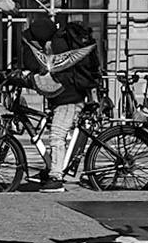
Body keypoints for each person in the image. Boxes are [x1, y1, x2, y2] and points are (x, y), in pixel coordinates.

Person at [20, 11, 100, 192]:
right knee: (54, 131)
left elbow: (37, 68)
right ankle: (51, 168)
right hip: (65, 98)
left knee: (57, 135)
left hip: (69, 100)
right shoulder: (57, 43)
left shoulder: (57, 46)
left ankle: (56, 177)